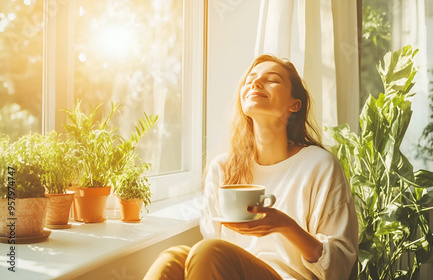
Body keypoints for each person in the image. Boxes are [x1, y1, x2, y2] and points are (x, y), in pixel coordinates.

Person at [143, 54, 358, 280]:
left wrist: (286, 226)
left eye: (272, 79)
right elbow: (212, 244)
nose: (255, 83)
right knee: (173, 259)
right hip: (227, 269)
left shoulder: (319, 165)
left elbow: (340, 268)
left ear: (294, 104)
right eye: (250, 79)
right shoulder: (223, 168)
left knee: (208, 251)